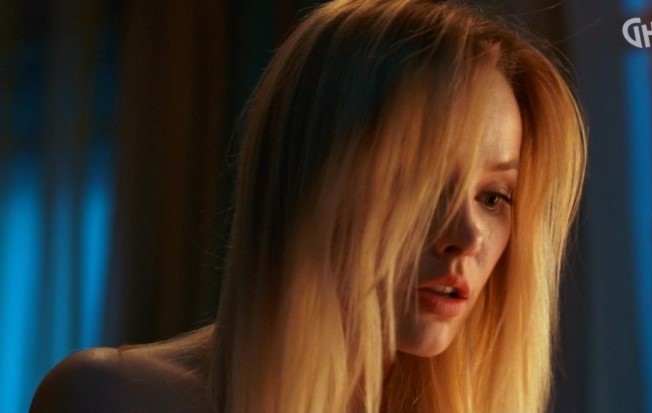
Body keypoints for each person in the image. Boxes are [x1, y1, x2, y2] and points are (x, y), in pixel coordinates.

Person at [30, 0, 587, 412]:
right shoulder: (108, 398)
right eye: (423, 183)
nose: (466, 235)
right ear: (315, 174)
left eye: (494, 197)